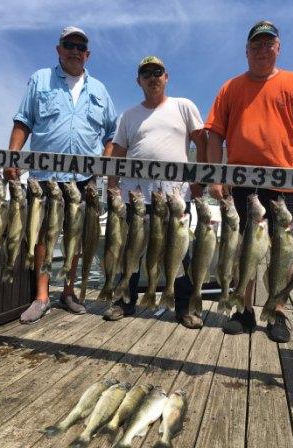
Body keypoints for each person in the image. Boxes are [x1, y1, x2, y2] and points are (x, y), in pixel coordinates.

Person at [5, 26, 117, 323]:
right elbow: (23, 120)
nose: (75, 51)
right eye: (69, 45)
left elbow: (111, 134)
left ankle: (68, 292)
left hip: (83, 179)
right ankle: (42, 296)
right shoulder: (40, 79)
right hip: (44, 175)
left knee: (75, 237)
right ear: (59, 49)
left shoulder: (100, 90)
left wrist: (104, 165)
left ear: (88, 54)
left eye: (81, 47)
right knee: (43, 235)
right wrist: (12, 155)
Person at [205, 20, 293, 342]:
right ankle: (243, 309)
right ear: (247, 50)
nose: (263, 49)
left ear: (278, 48)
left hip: (285, 183)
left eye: (269, 44)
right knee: (242, 251)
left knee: (284, 252)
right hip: (242, 182)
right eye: (257, 44)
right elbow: (214, 135)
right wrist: (214, 175)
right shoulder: (231, 87)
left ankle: (277, 310)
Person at [103, 55, 208, 328]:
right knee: (132, 251)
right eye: (146, 74)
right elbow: (117, 154)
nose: (153, 78)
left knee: (179, 254)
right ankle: (124, 302)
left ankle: (183, 307)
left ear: (166, 76)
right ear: (139, 80)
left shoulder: (183, 106)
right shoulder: (128, 116)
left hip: (175, 198)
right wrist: (112, 186)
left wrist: (201, 180)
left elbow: (202, 141)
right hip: (135, 197)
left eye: (157, 72)